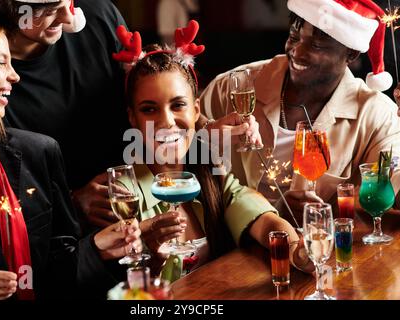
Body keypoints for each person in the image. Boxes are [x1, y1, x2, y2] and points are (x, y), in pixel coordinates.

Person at [0, 0, 258, 231]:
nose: (69, 18)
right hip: (69, 238)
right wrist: (73, 204)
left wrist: (203, 127)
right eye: (47, 9)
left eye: (67, 1)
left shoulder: (98, 17)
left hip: (145, 195)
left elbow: (153, 92)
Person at [0, 11, 141, 300]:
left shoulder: (38, 152)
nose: (14, 76)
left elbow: (57, 274)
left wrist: (96, 248)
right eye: (2, 62)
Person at [112, 21, 313, 281]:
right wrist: (152, 256)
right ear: (132, 118)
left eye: (177, 105)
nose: (167, 122)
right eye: (149, 109)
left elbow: (263, 220)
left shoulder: (211, 173)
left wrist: (298, 250)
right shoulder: (122, 195)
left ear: (196, 110)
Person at [200, 0, 400, 223]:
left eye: (316, 45)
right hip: (235, 247)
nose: (297, 51)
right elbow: (167, 160)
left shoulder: (377, 115)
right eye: (294, 37)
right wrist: (204, 141)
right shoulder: (231, 88)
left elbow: (394, 184)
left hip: (321, 249)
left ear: (351, 53)